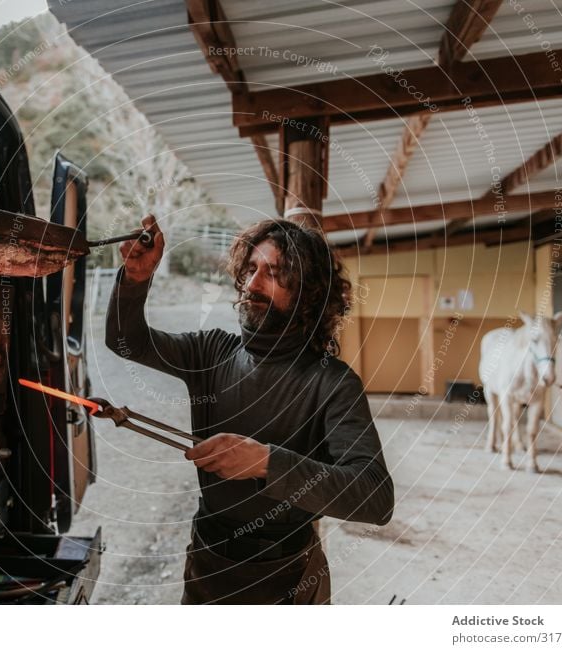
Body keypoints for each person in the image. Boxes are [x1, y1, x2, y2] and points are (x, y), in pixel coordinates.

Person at [105, 214, 393, 604]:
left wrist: (265, 462)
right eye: (251, 269)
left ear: (308, 295)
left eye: (273, 273)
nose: (253, 284)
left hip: (287, 576)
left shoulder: (332, 383)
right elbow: (125, 341)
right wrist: (136, 278)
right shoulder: (211, 352)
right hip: (207, 564)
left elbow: (375, 498)